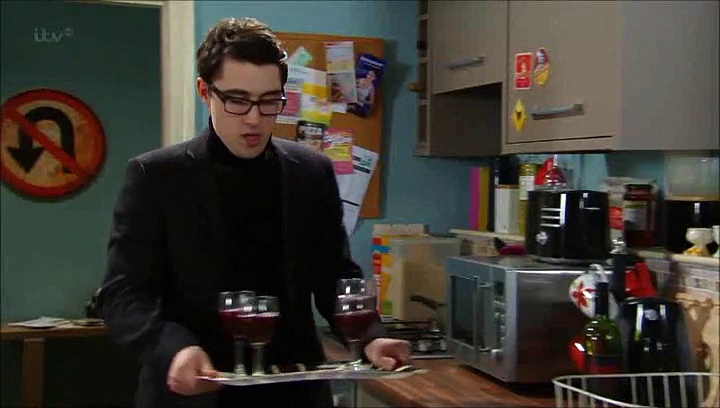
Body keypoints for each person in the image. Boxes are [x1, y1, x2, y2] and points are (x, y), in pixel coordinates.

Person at [98, 17, 409, 408]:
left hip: (294, 391)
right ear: (204, 91)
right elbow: (123, 294)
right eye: (237, 99)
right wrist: (173, 348)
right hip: (196, 392)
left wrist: (370, 337)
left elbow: (335, 275)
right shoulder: (156, 176)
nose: (253, 118)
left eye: (268, 101)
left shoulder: (311, 172)